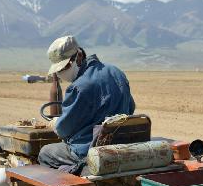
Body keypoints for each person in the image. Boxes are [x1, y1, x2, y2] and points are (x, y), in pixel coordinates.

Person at [38, 35, 135, 170]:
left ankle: (75, 182)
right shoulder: (116, 72)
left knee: (45, 153)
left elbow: (64, 129)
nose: (61, 73)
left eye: (64, 67)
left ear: (78, 56)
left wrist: (56, 124)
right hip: (122, 143)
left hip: (88, 150)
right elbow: (131, 107)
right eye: (58, 70)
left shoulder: (79, 87)